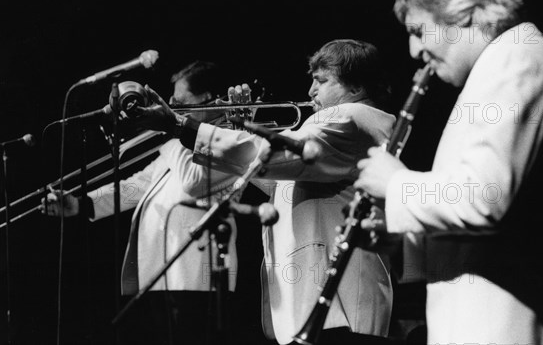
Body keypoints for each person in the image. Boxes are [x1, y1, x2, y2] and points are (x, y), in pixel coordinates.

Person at [354, 0, 543, 345]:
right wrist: (399, 227)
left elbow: (484, 198)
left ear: (460, 12)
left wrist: (395, 184)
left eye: (417, 30)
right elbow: (512, 217)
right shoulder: (508, 63)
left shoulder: (518, 63)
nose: (414, 51)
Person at [138, 39, 396, 345]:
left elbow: (278, 158)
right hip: (321, 301)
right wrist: (242, 126)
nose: (311, 91)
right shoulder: (338, 125)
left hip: (339, 302)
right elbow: (277, 180)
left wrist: (181, 126)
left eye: (322, 81)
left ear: (355, 88)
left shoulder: (350, 117)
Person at [44, 61, 240, 344]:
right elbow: (137, 186)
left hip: (198, 279)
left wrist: (174, 131)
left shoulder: (228, 140)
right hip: (158, 276)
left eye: (179, 101)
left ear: (207, 99)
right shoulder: (178, 147)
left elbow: (193, 181)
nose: (170, 105)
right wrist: (82, 203)